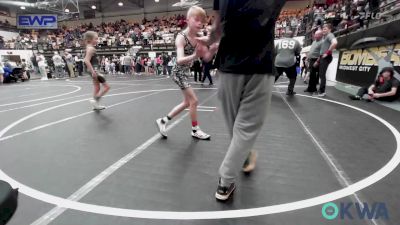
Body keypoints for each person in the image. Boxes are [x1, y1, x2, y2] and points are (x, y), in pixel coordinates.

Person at [197, 0, 286, 201]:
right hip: (259, 66)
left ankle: (244, 158)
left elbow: (217, 29)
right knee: (245, 128)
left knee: (234, 124)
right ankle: (225, 180)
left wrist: (208, 41)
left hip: (229, 67)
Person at [156, 6, 217, 140]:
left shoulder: (199, 36)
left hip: (184, 72)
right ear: (188, 20)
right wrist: (195, 56)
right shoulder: (181, 37)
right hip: (178, 72)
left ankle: (163, 121)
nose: (200, 23)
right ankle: (195, 129)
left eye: (203, 21)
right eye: (197, 20)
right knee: (194, 101)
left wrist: (212, 49)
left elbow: (206, 57)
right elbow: (179, 60)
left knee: (187, 103)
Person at [84, 31, 110, 110]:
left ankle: (95, 105)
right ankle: (95, 100)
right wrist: (93, 72)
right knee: (107, 87)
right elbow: (86, 60)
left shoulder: (88, 47)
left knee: (97, 87)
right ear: (90, 39)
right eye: (96, 38)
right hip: (94, 70)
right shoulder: (91, 48)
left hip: (92, 69)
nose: (97, 40)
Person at [274, 31, 302, 95]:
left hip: (278, 62)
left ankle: (266, 90)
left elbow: (275, 52)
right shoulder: (296, 42)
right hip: (289, 62)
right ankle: (290, 91)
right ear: (292, 35)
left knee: (274, 77)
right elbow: (298, 53)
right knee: (293, 77)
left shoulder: (279, 42)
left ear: (286, 35)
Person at [316, 24, 337, 97]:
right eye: (323, 29)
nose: (323, 30)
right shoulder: (325, 37)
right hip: (323, 57)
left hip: (326, 57)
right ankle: (320, 90)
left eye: (325, 29)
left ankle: (322, 92)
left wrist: (327, 53)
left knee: (322, 75)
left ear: (330, 29)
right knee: (321, 74)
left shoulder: (330, 35)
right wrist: (318, 60)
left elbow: (335, 43)